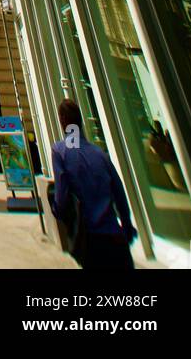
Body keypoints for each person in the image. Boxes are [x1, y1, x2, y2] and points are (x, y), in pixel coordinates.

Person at [51, 99, 136, 270]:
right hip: (115, 237)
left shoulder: (59, 151)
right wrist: (126, 226)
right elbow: (119, 192)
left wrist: (58, 211)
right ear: (80, 121)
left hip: (90, 241)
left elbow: (61, 194)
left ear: (62, 120)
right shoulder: (100, 154)